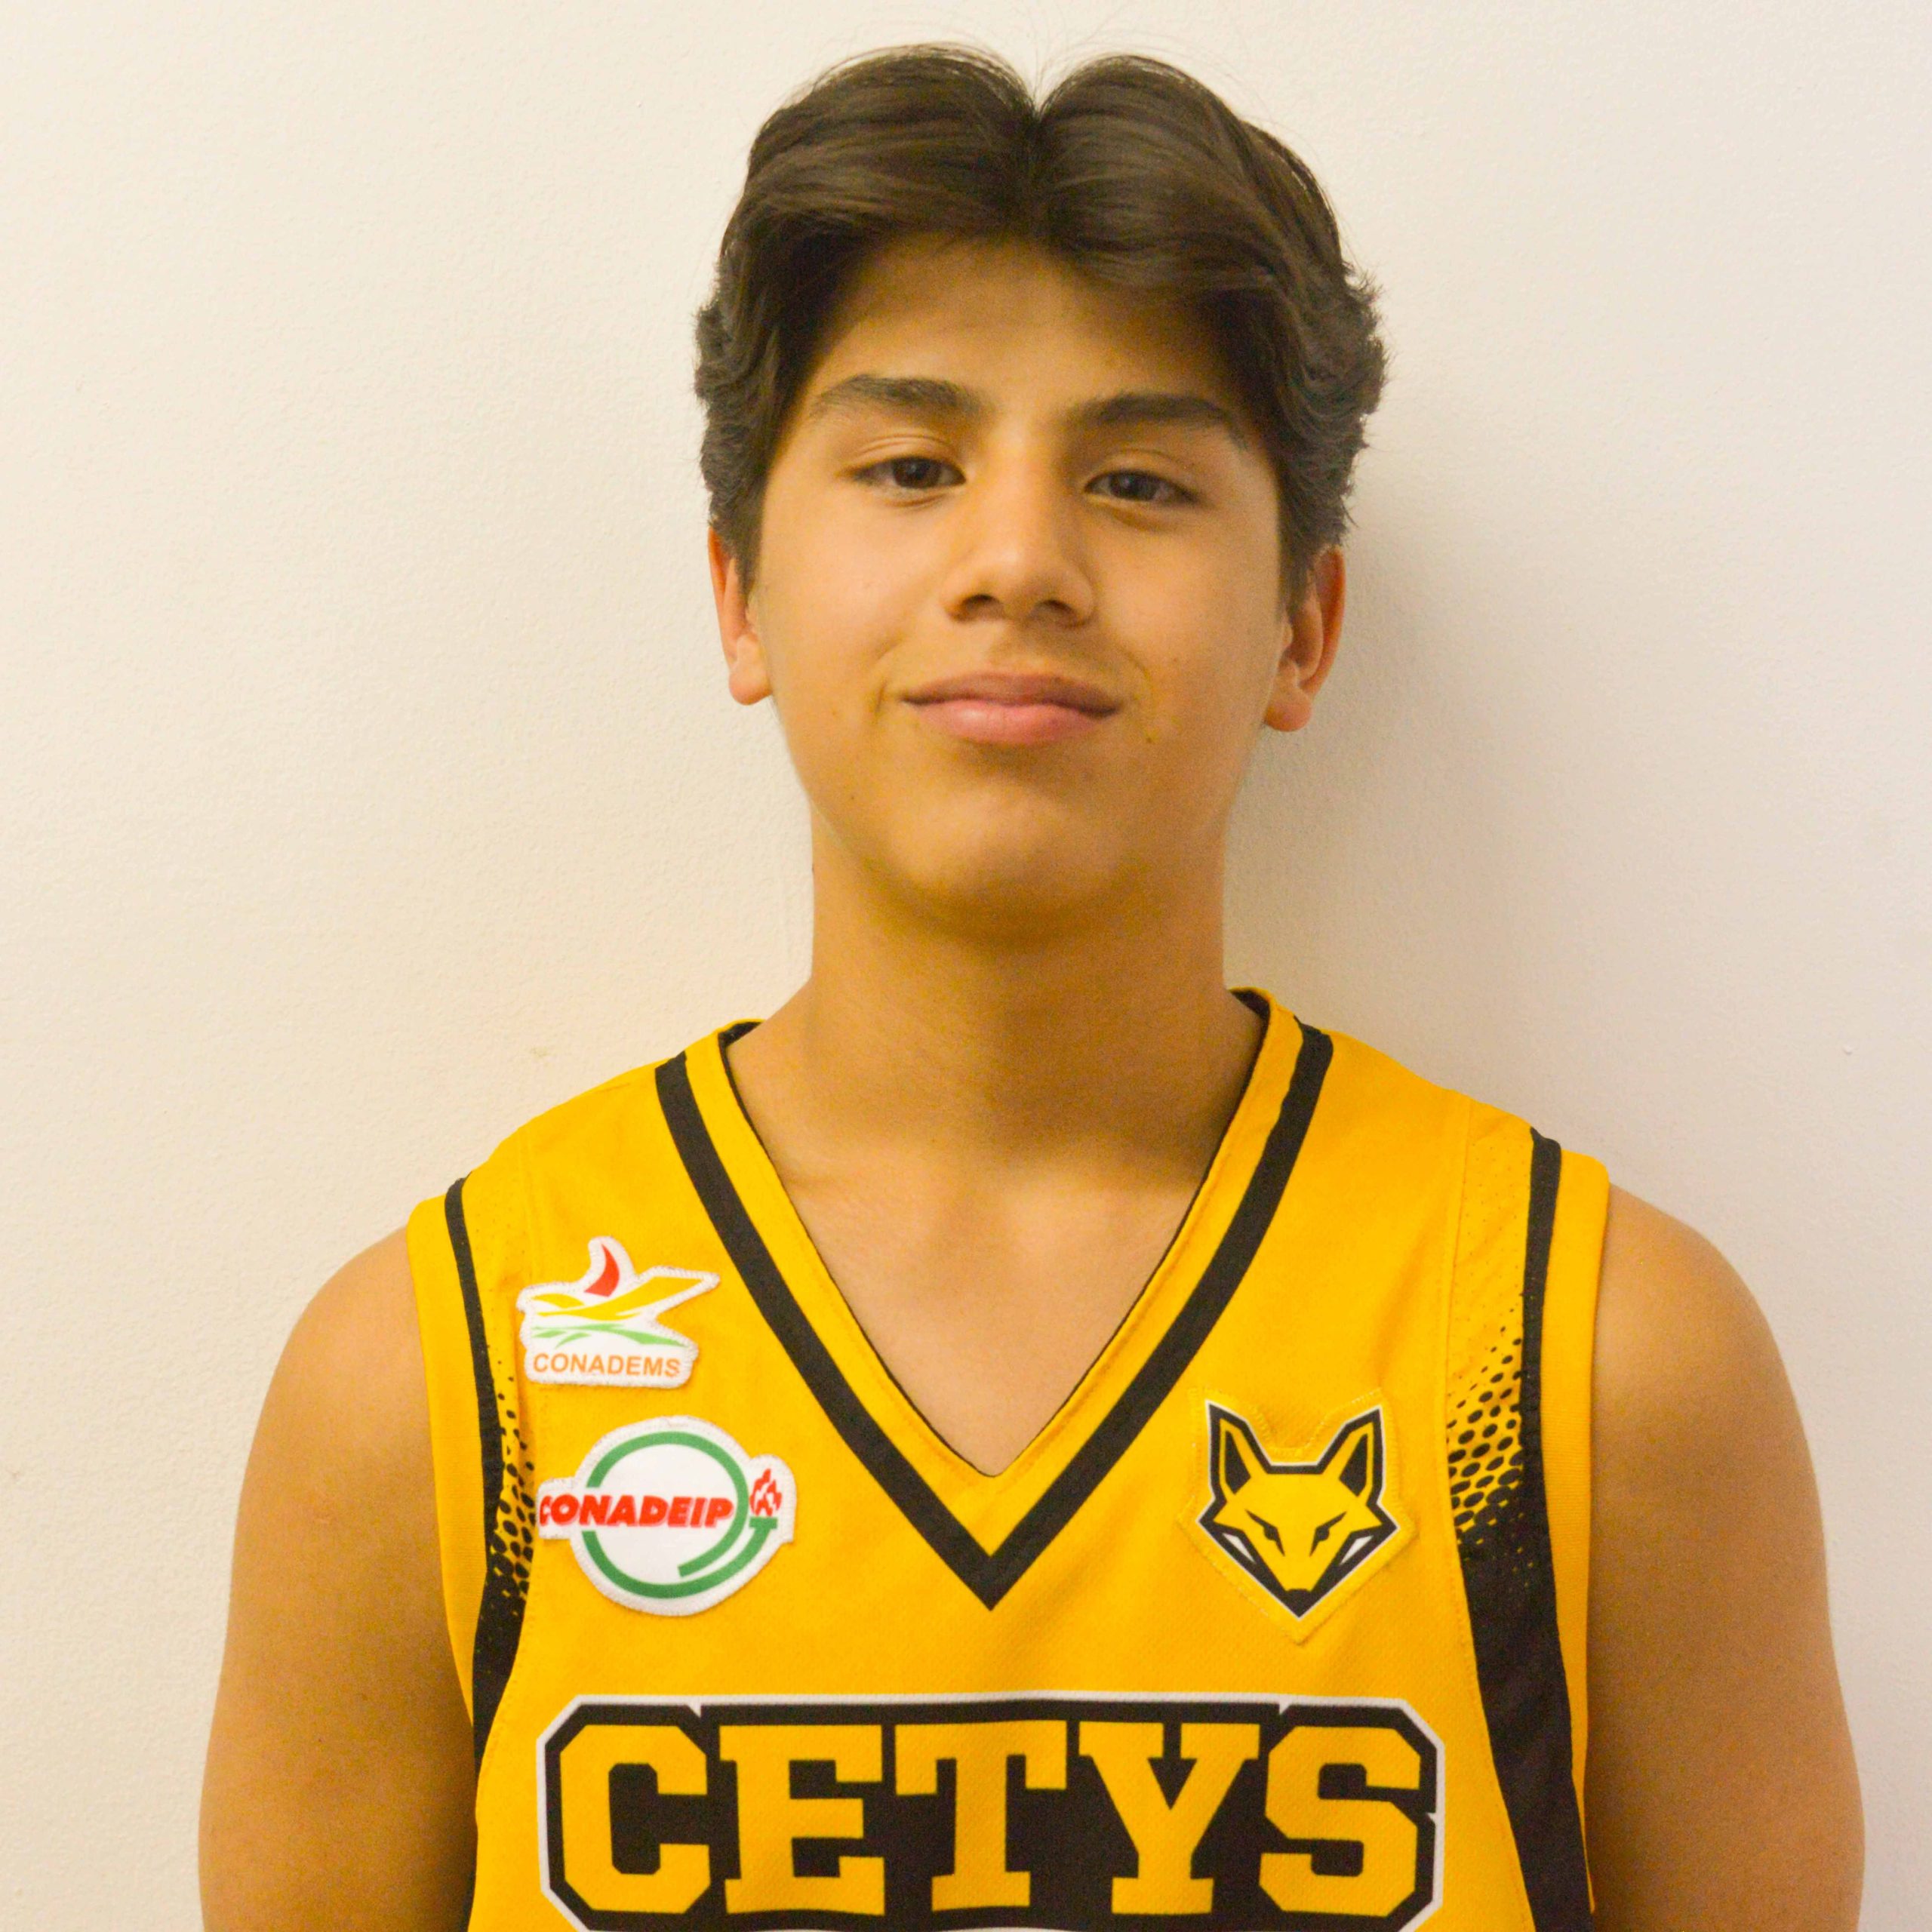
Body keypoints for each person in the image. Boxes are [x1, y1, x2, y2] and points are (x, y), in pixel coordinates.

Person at [200, 45, 1861, 1932]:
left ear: (1300, 628)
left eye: (1137, 480)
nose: (1015, 561)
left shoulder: (1584, 1358)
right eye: (911, 467)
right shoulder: (447, 1381)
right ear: (739, 592)